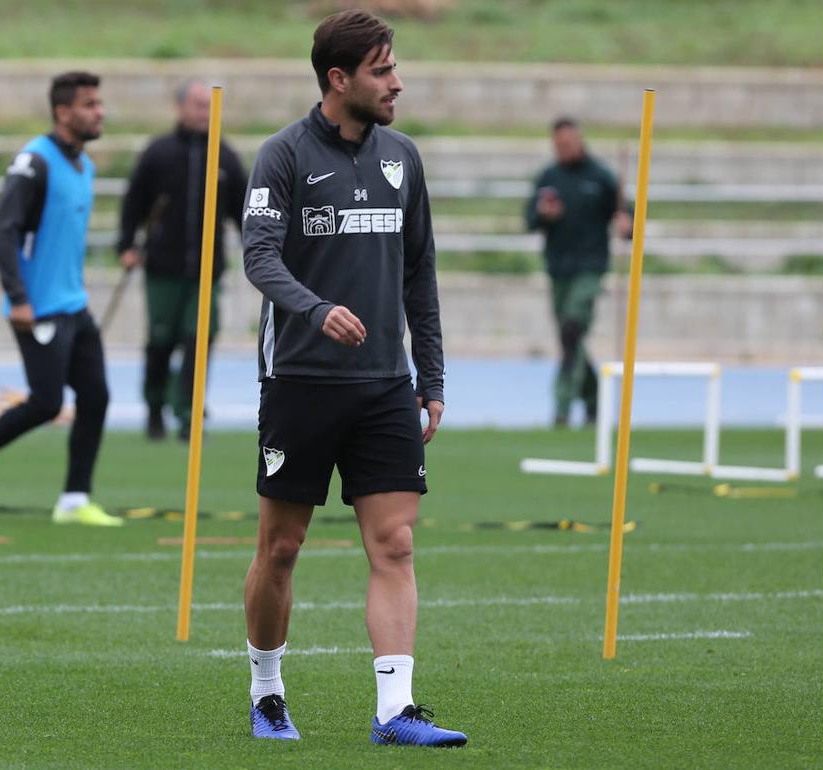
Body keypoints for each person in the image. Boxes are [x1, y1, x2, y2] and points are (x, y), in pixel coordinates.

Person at [240, 9, 467, 748]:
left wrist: (429, 375)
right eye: (381, 70)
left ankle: (395, 710)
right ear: (339, 80)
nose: (397, 82)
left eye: (394, 66)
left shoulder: (404, 156)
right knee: (281, 547)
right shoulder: (282, 156)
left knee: (395, 544)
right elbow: (260, 257)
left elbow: (419, 273)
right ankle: (267, 691)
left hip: (382, 386)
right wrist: (315, 309)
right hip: (300, 378)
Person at [0, 72, 123, 527]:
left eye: (99, 103)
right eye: (89, 104)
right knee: (46, 402)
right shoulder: (33, 162)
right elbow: (3, 230)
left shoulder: (86, 167)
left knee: (95, 396)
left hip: (74, 307)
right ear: (63, 113)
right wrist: (18, 298)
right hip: (36, 308)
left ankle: (75, 500)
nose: (99, 112)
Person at [116, 79, 248, 441]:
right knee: (160, 342)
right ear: (181, 108)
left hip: (207, 274)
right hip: (162, 269)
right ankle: (155, 405)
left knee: (199, 339)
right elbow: (133, 203)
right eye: (197, 105)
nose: (204, 112)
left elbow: (244, 213)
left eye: (209, 105)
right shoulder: (158, 153)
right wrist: (126, 245)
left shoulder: (226, 156)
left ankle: (189, 411)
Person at [525, 116, 632, 427]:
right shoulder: (548, 177)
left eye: (567, 143)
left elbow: (629, 218)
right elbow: (530, 219)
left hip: (590, 269)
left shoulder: (601, 177)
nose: (563, 149)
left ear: (579, 141)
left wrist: (626, 226)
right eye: (557, 145)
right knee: (570, 339)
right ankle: (594, 398)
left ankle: (561, 405)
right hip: (558, 269)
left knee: (572, 329)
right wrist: (543, 215)